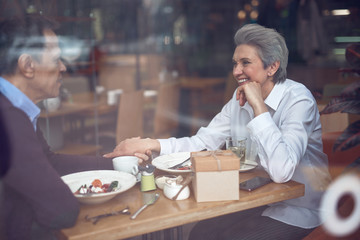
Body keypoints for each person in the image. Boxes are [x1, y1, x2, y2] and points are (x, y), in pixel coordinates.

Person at [104, 23, 331, 239]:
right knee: (200, 233)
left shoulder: (298, 100)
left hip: (300, 209)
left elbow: (282, 171)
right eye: (235, 63)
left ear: (272, 67)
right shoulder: (238, 98)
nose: (236, 71)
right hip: (258, 199)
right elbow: (204, 141)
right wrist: (151, 144)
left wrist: (259, 107)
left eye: (245, 63)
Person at [0, 14, 114, 240]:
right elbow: (63, 211)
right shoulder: (8, 118)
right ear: (27, 66)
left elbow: (49, 162)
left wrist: (115, 162)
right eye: (56, 60)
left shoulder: (13, 107)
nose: (63, 68)